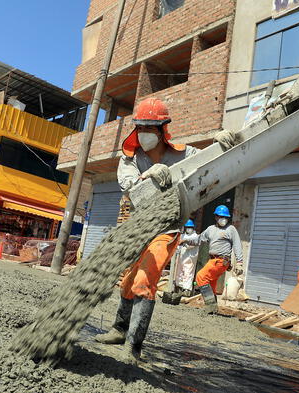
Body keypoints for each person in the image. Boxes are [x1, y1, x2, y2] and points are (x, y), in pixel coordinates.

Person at [94, 97, 199, 364]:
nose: (144, 135)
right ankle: (119, 329)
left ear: (162, 130)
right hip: (139, 226)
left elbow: (209, 162)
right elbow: (129, 186)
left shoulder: (182, 154)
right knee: (128, 280)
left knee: (144, 280)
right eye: (140, 129)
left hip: (167, 227)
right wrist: (151, 174)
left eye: (150, 130)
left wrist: (225, 140)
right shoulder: (130, 159)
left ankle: (133, 345)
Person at [195, 205, 243, 294]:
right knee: (212, 283)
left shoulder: (231, 229)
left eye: (225, 217)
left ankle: (210, 303)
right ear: (216, 217)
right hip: (213, 260)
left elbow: (237, 245)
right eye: (221, 216)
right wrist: (184, 240)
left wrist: (239, 262)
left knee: (201, 277)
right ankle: (213, 305)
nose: (223, 219)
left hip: (221, 261)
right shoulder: (210, 229)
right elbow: (198, 239)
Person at [174, 219, 200, 294]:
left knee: (188, 273)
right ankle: (178, 287)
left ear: (193, 228)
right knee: (179, 272)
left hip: (190, 259)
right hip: (181, 258)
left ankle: (186, 290)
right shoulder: (182, 235)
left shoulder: (195, 236)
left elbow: (189, 245)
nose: (189, 229)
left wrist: (183, 242)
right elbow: (178, 245)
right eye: (187, 227)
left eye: (190, 227)